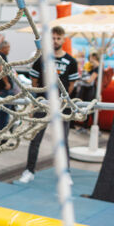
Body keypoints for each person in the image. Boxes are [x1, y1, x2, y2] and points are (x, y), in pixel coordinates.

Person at [18, 26, 79, 184]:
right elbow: (35, 82)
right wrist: (38, 101)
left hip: (61, 106)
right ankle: (29, 171)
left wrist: (63, 100)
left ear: (63, 40)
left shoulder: (71, 62)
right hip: (42, 105)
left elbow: (71, 85)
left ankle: (65, 173)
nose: (55, 41)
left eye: (58, 38)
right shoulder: (42, 59)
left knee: (63, 141)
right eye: (52, 38)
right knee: (35, 139)